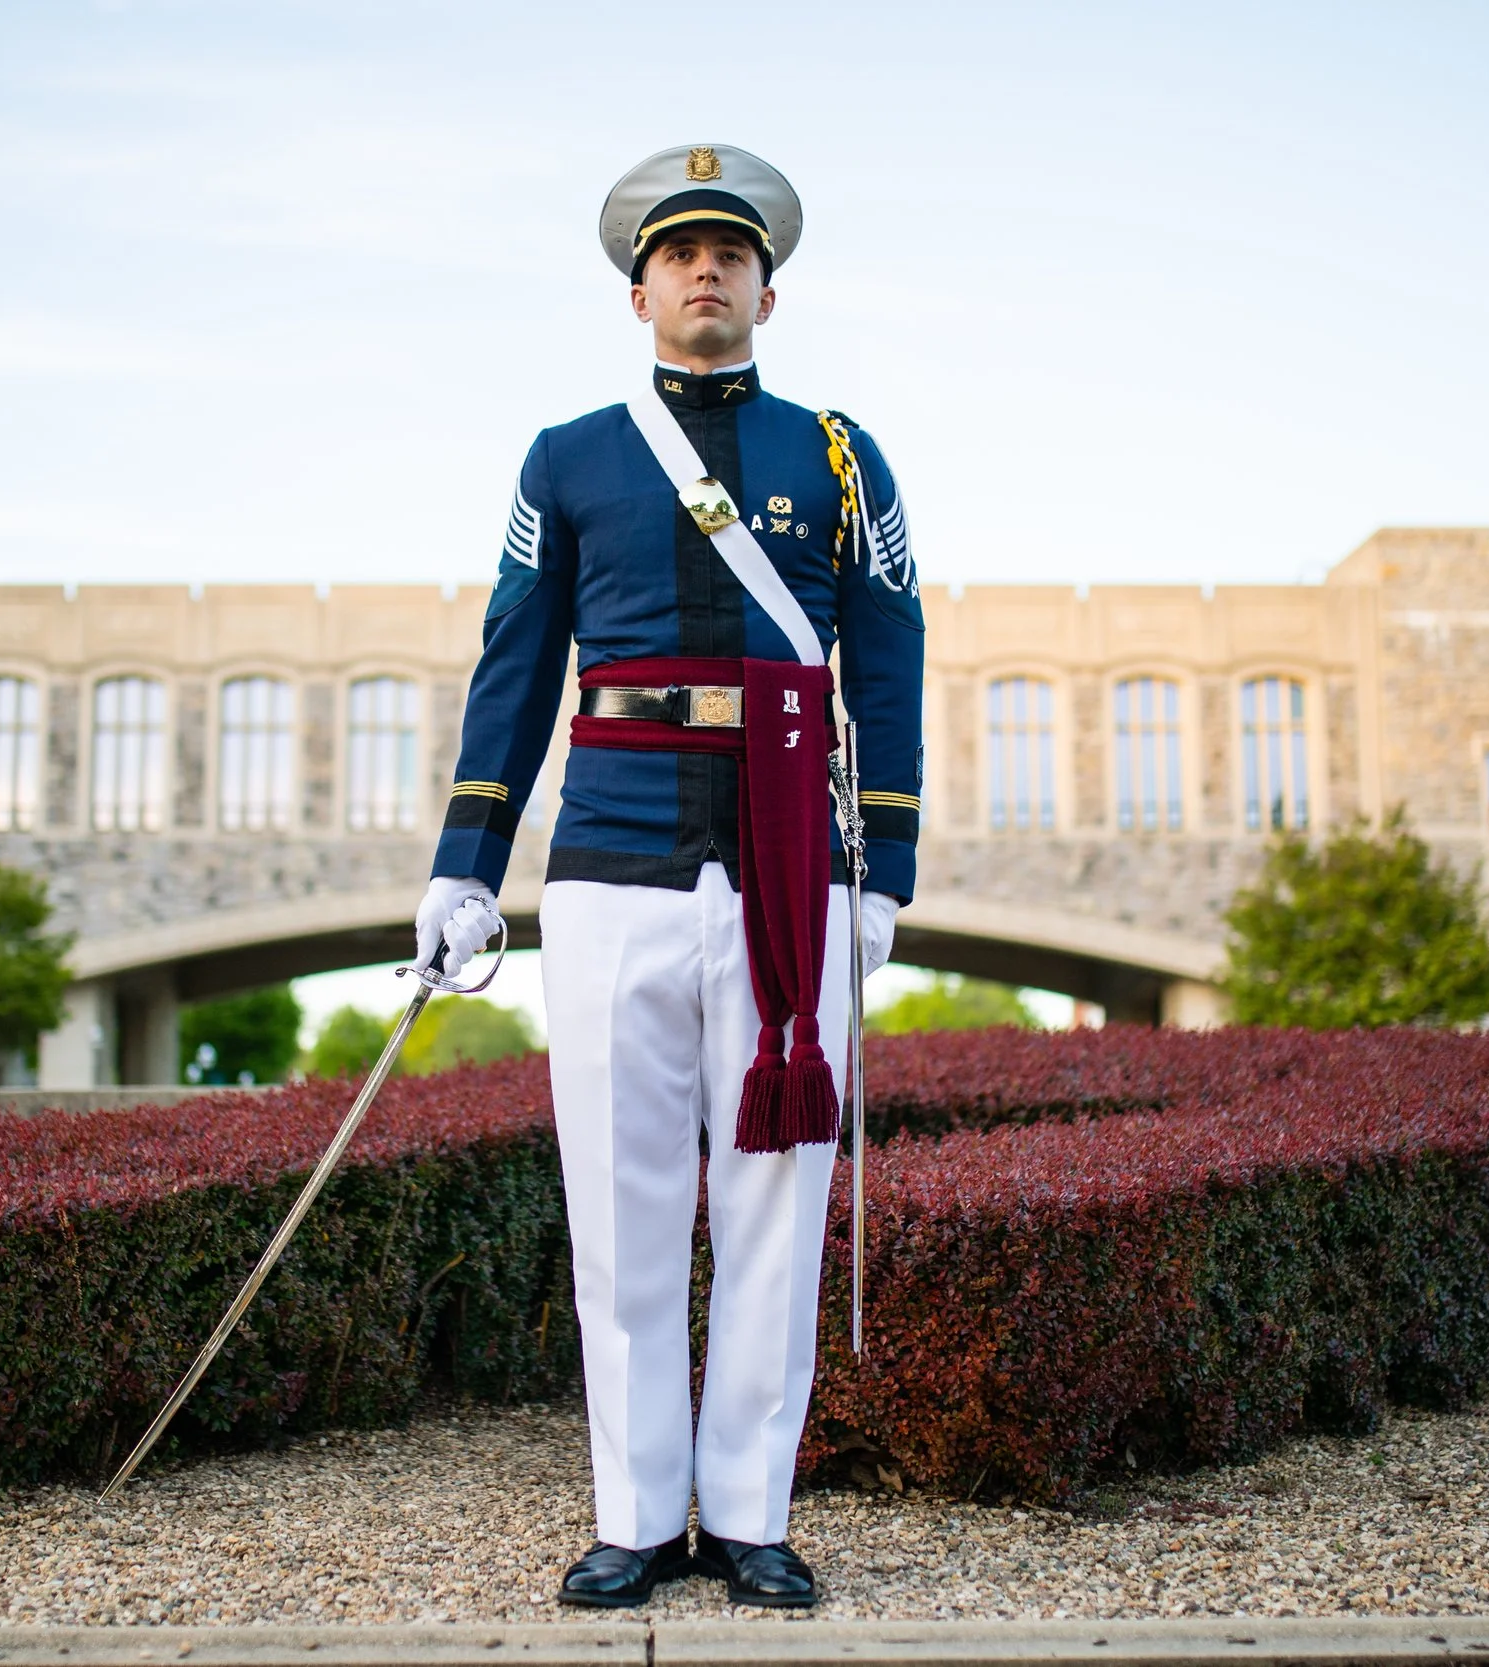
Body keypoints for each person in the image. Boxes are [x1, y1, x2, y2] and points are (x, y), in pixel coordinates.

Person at [410, 144, 923, 1610]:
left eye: (733, 253)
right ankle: (636, 1514)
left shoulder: (839, 454)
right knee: (621, 1203)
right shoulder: (567, 455)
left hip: (789, 868)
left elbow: (887, 652)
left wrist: (882, 856)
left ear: (771, 284)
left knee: (774, 1197)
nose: (707, 271)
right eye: (680, 254)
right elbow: (516, 661)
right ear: (639, 290)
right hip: (612, 860)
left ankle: (750, 1511)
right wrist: (466, 865)